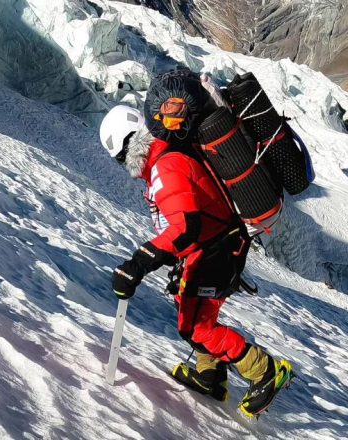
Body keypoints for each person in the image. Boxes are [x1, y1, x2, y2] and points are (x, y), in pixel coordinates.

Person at [99, 104, 293, 418]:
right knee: (190, 308)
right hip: (217, 246)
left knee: (195, 328)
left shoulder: (165, 166)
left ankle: (265, 371)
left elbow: (185, 227)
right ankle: (210, 376)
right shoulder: (167, 156)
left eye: (122, 159)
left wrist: (138, 263)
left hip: (215, 250)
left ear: (127, 150)